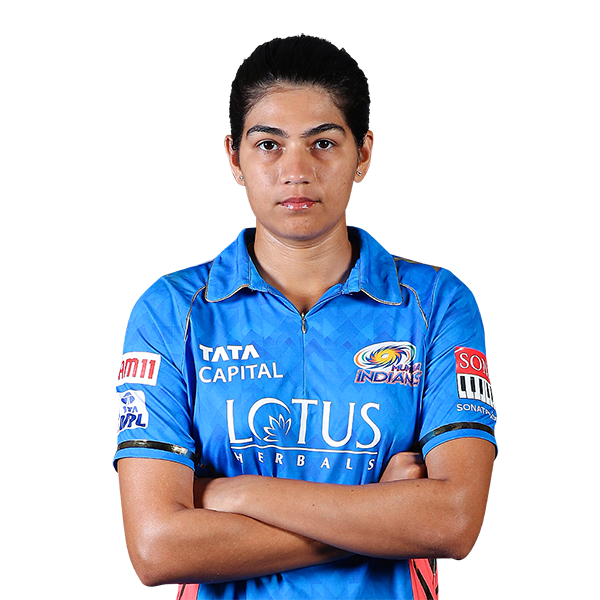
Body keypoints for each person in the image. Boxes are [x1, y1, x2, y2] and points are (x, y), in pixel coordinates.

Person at [114, 36, 499, 600]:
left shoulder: (436, 304)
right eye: (269, 144)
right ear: (234, 158)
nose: (296, 170)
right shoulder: (171, 311)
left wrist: (233, 493)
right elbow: (157, 548)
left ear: (363, 155)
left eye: (322, 143)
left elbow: (453, 523)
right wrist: (382, 516)